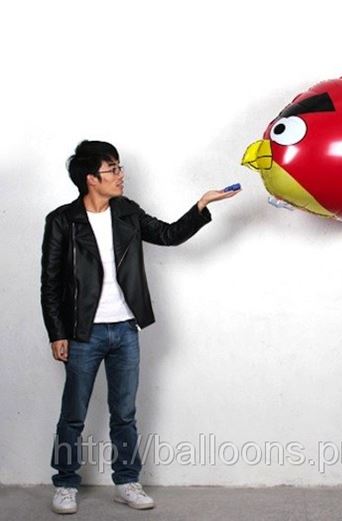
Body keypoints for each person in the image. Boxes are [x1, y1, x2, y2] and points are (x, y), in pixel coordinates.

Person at [40, 140, 240, 514]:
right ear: (90, 178)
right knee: (73, 414)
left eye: (120, 167)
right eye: (112, 169)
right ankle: (65, 483)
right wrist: (57, 333)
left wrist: (201, 205)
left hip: (125, 330)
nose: (121, 175)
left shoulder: (127, 212)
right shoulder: (62, 221)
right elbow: (50, 282)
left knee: (124, 413)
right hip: (83, 333)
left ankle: (127, 481)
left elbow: (168, 234)